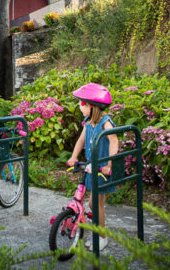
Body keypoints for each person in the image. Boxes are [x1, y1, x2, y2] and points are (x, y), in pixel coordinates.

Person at [66, 83, 119, 250]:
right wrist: (74, 156)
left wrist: (109, 165)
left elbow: (114, 140)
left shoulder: (105, 122)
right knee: (92, 205)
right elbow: (81, 140)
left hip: (102, 169)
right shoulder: (88, 122)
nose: (79, 106)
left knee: (96, 204)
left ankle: (102, 237)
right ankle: (97, 231)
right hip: (92, 167)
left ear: (93, 106)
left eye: (82, 103)